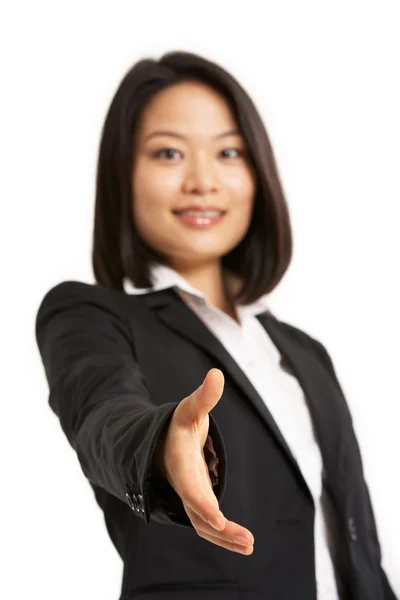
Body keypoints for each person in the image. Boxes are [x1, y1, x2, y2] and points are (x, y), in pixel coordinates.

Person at [35, 50, 397, 600]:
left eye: (228, 151)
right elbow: (104, 414)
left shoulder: (305, 353)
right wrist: (160, 444)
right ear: (122, 174)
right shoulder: (90, 315)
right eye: (169, 153)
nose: (202, 181)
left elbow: (352, 538)